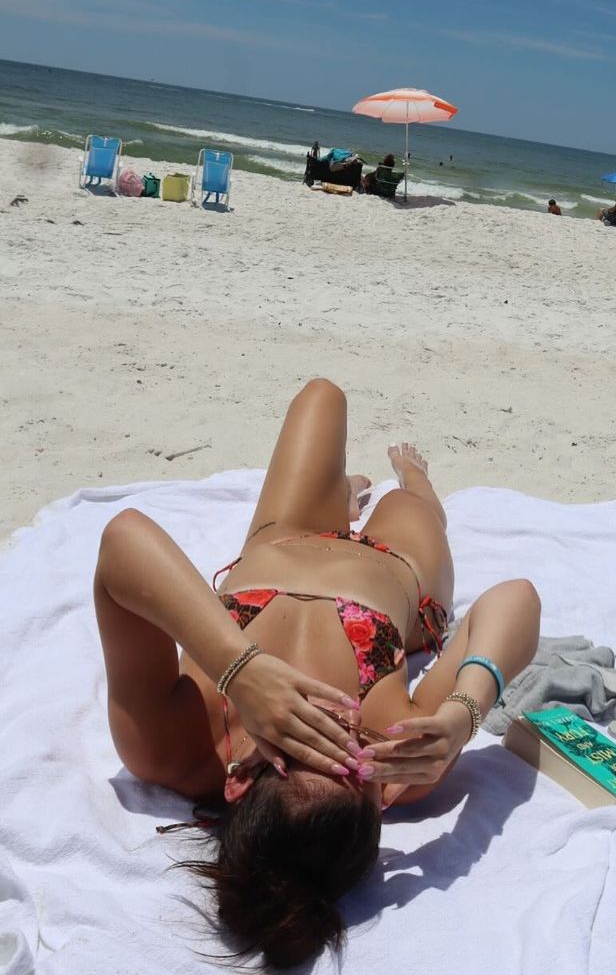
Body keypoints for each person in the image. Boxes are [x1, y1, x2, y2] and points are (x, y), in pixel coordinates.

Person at [94, 379, 541, 969]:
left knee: (322, 397)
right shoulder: (401, 761)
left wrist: (241, 671)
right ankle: (413, 483)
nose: (331, 724)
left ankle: (343, 499)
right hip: (398, 567)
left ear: (238, 782)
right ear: (377, 796)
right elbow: (515, 599)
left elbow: (122, 539)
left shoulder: (170, 747)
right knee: (405, 507)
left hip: (284, 535)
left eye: (301, 744)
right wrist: (464, 715)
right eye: (349, 757)